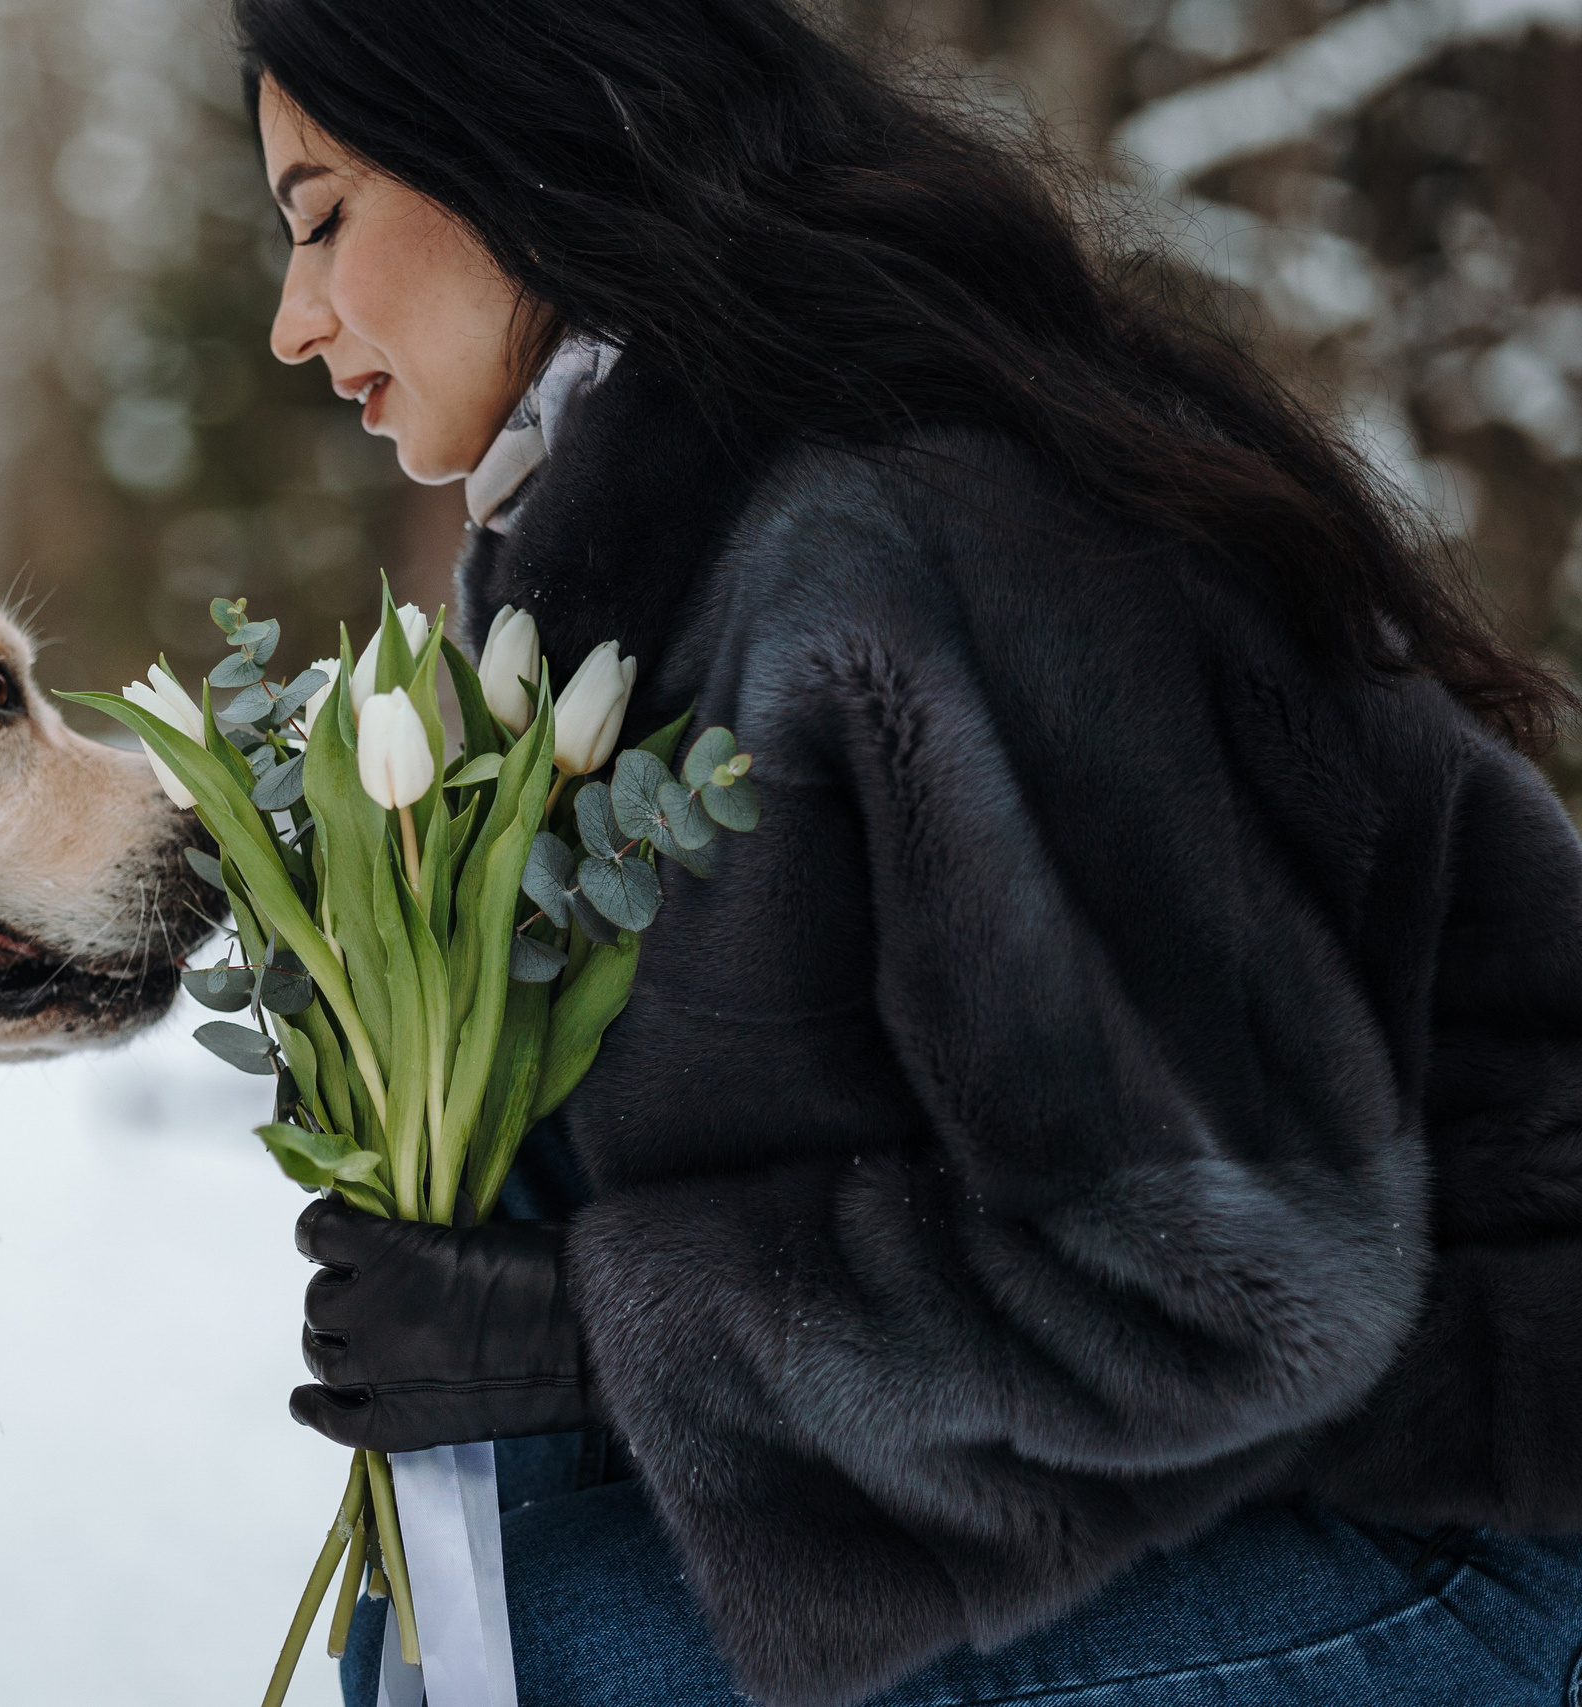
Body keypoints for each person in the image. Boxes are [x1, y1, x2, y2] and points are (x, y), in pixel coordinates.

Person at [237, 1, 1582, 1703]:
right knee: (449, 1638)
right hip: (1172, 1466)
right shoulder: (629, 562)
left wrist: (579, 1331)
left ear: (520, 136)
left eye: (322, 214)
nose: (296, 318)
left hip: (1444, 1508)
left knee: (571, 1667)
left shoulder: (931, 524)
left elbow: (1234, 1287)